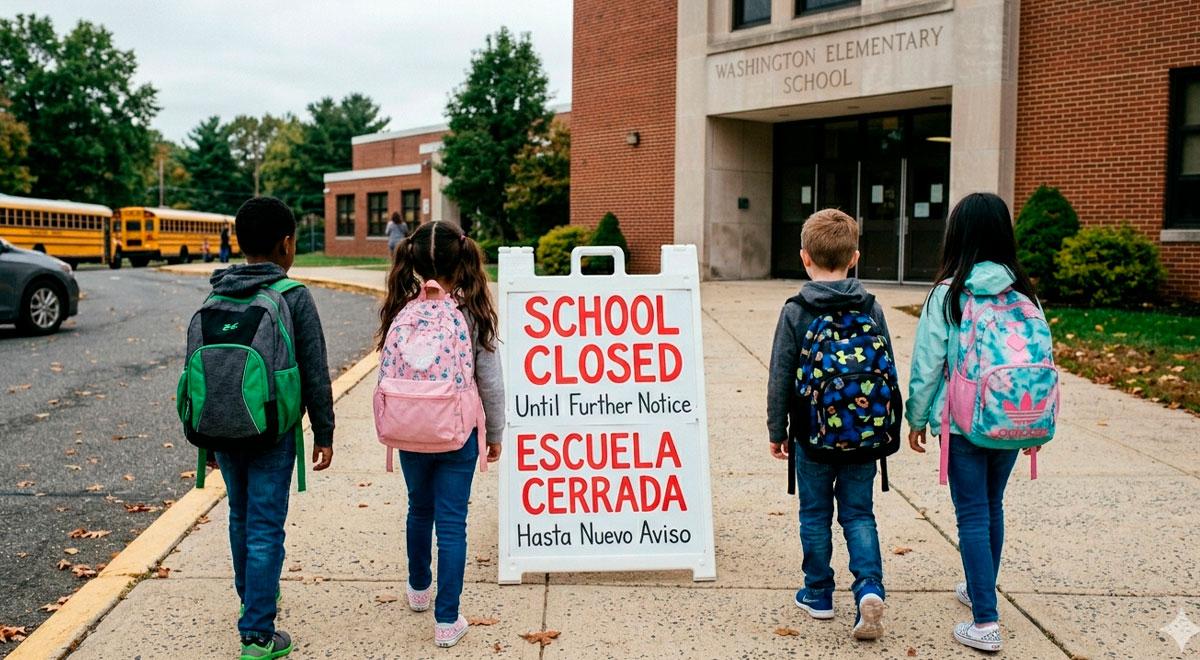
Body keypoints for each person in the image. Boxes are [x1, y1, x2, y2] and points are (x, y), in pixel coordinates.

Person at [905, 192, 1041, 653]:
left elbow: (927, 363)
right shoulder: (1025, 293)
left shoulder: (949, 294)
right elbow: (1037, 360)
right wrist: (1032, 421)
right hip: (1010, 418)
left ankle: (985, 620)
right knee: (992, 507)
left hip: (963, 424)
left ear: (956, 235)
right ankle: (977, 587)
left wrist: (917, 417)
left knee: (972, 515)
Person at [209, 197, 336, 659]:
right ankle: (258, 635)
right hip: (273, 431)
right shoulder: (294, 295)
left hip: (222, 430)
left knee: (240, 516)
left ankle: (254, 598)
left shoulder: (217, 291)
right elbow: (315, 370)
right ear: (286, 244)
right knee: (265, 526)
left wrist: (207, 438)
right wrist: (324, 432)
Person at [767, 208, 894, 641]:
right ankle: (869, 588)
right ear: (854, 257)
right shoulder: (870, 306)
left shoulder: (797, 310)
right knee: (859, 514)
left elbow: (781, 374)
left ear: (805, 257)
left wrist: (776, 430)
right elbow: (887, 370)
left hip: (812, 436)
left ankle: (818, 593)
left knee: (815, 515)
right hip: (863, 434)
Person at [376, 220, 504, 648]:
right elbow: (491, 381)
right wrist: (496, 432)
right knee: (452, 523)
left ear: (411, 259)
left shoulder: (401, 307)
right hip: (457, 432)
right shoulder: (473, 311)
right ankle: (447, 620)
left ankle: (417, 588)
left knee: (419, 509)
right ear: (462, 257)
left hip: (410, 430)